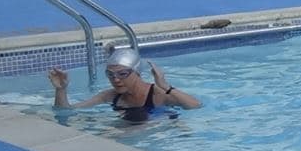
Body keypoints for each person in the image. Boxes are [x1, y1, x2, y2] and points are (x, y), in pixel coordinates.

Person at [49, 48, 199, 121]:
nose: (116, 80)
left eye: (122, 74)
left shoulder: (158, 95)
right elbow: (66, 112)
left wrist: (166, 86)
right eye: (111, 75)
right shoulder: (110, 96)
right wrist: (61, 90)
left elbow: (195, 106)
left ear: (137, 73)